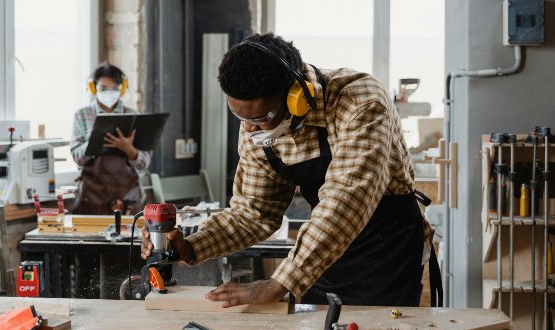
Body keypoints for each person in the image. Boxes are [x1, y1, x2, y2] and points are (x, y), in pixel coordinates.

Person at [141, 33, 441, 307]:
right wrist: (191, 247)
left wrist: (279, 283)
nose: (248, 128)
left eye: (260, 118)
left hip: (385, 249)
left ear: (296, 97)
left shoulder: (359, 101)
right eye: (239, 116)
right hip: (320, 249)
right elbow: (253, 213)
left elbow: (346, 202)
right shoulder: (257, 129)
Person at [70, 63, 151, 215]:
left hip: (128, 197)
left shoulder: (133, 116)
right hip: (91, 196)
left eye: (114, 88)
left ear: (122, 89)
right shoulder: (82, 115)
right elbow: (77, 158)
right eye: (103, 88)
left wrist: (129, 150)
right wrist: (95, 141)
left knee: (130, 231)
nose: (109, 93)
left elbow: (144, 163)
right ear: (93, 88)